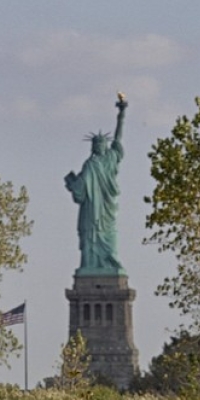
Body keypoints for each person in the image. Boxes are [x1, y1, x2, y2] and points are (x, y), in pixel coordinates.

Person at [64, 95, 127, 275]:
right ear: (93, 147)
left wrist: (121, 114)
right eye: (96, 144)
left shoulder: (110, 159)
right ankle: (89, 265)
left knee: (110, 237)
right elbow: (80, 192)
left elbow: (118, 138)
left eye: (102, 143)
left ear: (105, 146)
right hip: (91, 211)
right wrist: (73, 184)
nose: (99, 146)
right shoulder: (89, 165)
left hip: (106, 210)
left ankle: (109, 261)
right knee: (89, 236)